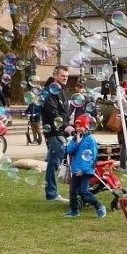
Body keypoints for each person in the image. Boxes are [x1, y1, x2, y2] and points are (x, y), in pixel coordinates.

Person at [64, 114, 107, 218]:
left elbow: (92, 156)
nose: (78, 128)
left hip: (86, 170)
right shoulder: (75, 139)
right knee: (73, 191)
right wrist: (76, 142)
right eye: (77, 126)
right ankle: (75, 210)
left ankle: (99, 206)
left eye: (81, 126)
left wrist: (83, 170)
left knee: (83, 191)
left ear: (86, 127)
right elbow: (68, 151)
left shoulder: (90, 139)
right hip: (76, 170)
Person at [42, 66, 71, 203]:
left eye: (66, 76)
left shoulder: (62, 92)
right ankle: (52, 194)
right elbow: (52, 112)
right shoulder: (49, 92)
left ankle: (52, 192)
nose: (65, 78)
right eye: (62, 75)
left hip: (60, 132)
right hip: (55, 132)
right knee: (54, 163)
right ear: (55, 75)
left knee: (55, 163)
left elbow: (64, 113)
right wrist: (66, 126)